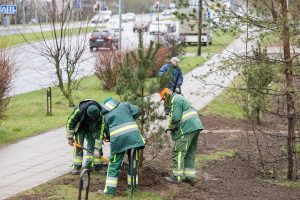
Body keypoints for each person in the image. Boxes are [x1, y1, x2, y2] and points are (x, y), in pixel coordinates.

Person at [97, 97, 145, 196]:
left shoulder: (105, 116)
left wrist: (109, 138)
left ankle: (109, 191)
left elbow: (107, 132)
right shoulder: (125, 105)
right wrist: (129, 118)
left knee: (114, 164)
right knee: (134, 162)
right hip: (134, 138)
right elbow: (137, 111)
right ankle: (133, 187)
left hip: (119, 142)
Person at [159, 88, 204, 185]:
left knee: (178, 151)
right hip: (195, 126)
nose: (163, 101)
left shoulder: (175, 99)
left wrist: (170, 128)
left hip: (187, 128)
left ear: (166, 96)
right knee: (189, 152)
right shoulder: (179, 98)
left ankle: (177, 177)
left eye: (163, 99)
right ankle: (190, 177)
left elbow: (175, 118)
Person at [66, 99, 106, 175]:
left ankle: (92, 166)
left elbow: (100, 133)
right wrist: (70, 137)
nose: (93, 119)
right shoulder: (79, 110)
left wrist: (97, 148)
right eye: (92, 118)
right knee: (79, 147)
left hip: (91, 129)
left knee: (92, 146)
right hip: (80, 127)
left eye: (94, 118)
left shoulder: (100, 116)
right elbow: (70, 123)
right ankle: (76, 167)